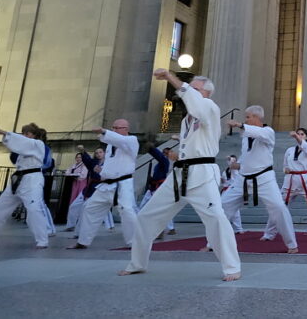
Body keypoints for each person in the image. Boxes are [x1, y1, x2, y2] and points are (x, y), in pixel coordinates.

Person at [120, 69, 241, 281]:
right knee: (146, 217)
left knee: (216, 219)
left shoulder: (210, 109)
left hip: (202, 175)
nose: (189, 93)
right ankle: (137, 263)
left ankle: (232, 268)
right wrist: (178, 155)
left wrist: (170, 77)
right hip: (179, 176)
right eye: (190, 89)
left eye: (195, 89)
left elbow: (196, 105)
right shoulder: (187, 120)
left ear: (206, 93)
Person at [225, 107, 298, 253]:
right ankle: (212, 243)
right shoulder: (245, 136)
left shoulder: (268, 132)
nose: (245, 120)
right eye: (245, 118)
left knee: (278, 207)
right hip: (243, 179)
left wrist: (240, 125)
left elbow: (258, 133)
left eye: (248, 117)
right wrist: (237, 164)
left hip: (264, 179)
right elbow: (247, 155)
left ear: (256, 117)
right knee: (223, 206)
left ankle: (292, 245)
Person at [67, 119, 139, 249]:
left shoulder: (132, 140)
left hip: (123, 184)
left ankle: (135, 243)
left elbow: (117, 139)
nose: (115, 130)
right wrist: (103, 172)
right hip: (106, 185)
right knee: (89, 208)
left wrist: (103, 131)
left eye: (118, 128)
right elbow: (112, 159)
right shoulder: (111, 145)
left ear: (126, 129)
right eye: (113, 127)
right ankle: (83, 241)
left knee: (127, 211)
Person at [263, 127, 307, 240]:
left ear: (306, 137)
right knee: (278, 206)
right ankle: (269, 234)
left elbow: (305, 147)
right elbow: (284, 166)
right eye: (298, 134)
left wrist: (297, 138)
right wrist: (285, 170)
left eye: (302, 134)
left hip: (305, 181)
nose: (299, 135)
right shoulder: (289, 150)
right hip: (290, 181)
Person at [0, 123, 49, 248]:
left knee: (34, 209)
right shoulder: (22, 150)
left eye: (27, 133)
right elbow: (19, 146)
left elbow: (24, 143)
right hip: (18, 180)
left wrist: (4, 132)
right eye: (23, 133)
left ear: (34, 135)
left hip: (32, 180)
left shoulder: (38, 144)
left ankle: (42, 240)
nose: (24, 136)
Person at [138, 144, 176, 238]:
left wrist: (152, 149)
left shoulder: (164, 161)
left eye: (166, 153)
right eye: (163, 152)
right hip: (153, 187)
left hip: (158, 187)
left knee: (160, 209)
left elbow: (159, 156)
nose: (164, 154)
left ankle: (162, 229)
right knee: (142, 207)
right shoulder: (159, 163)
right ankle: (140, 225)